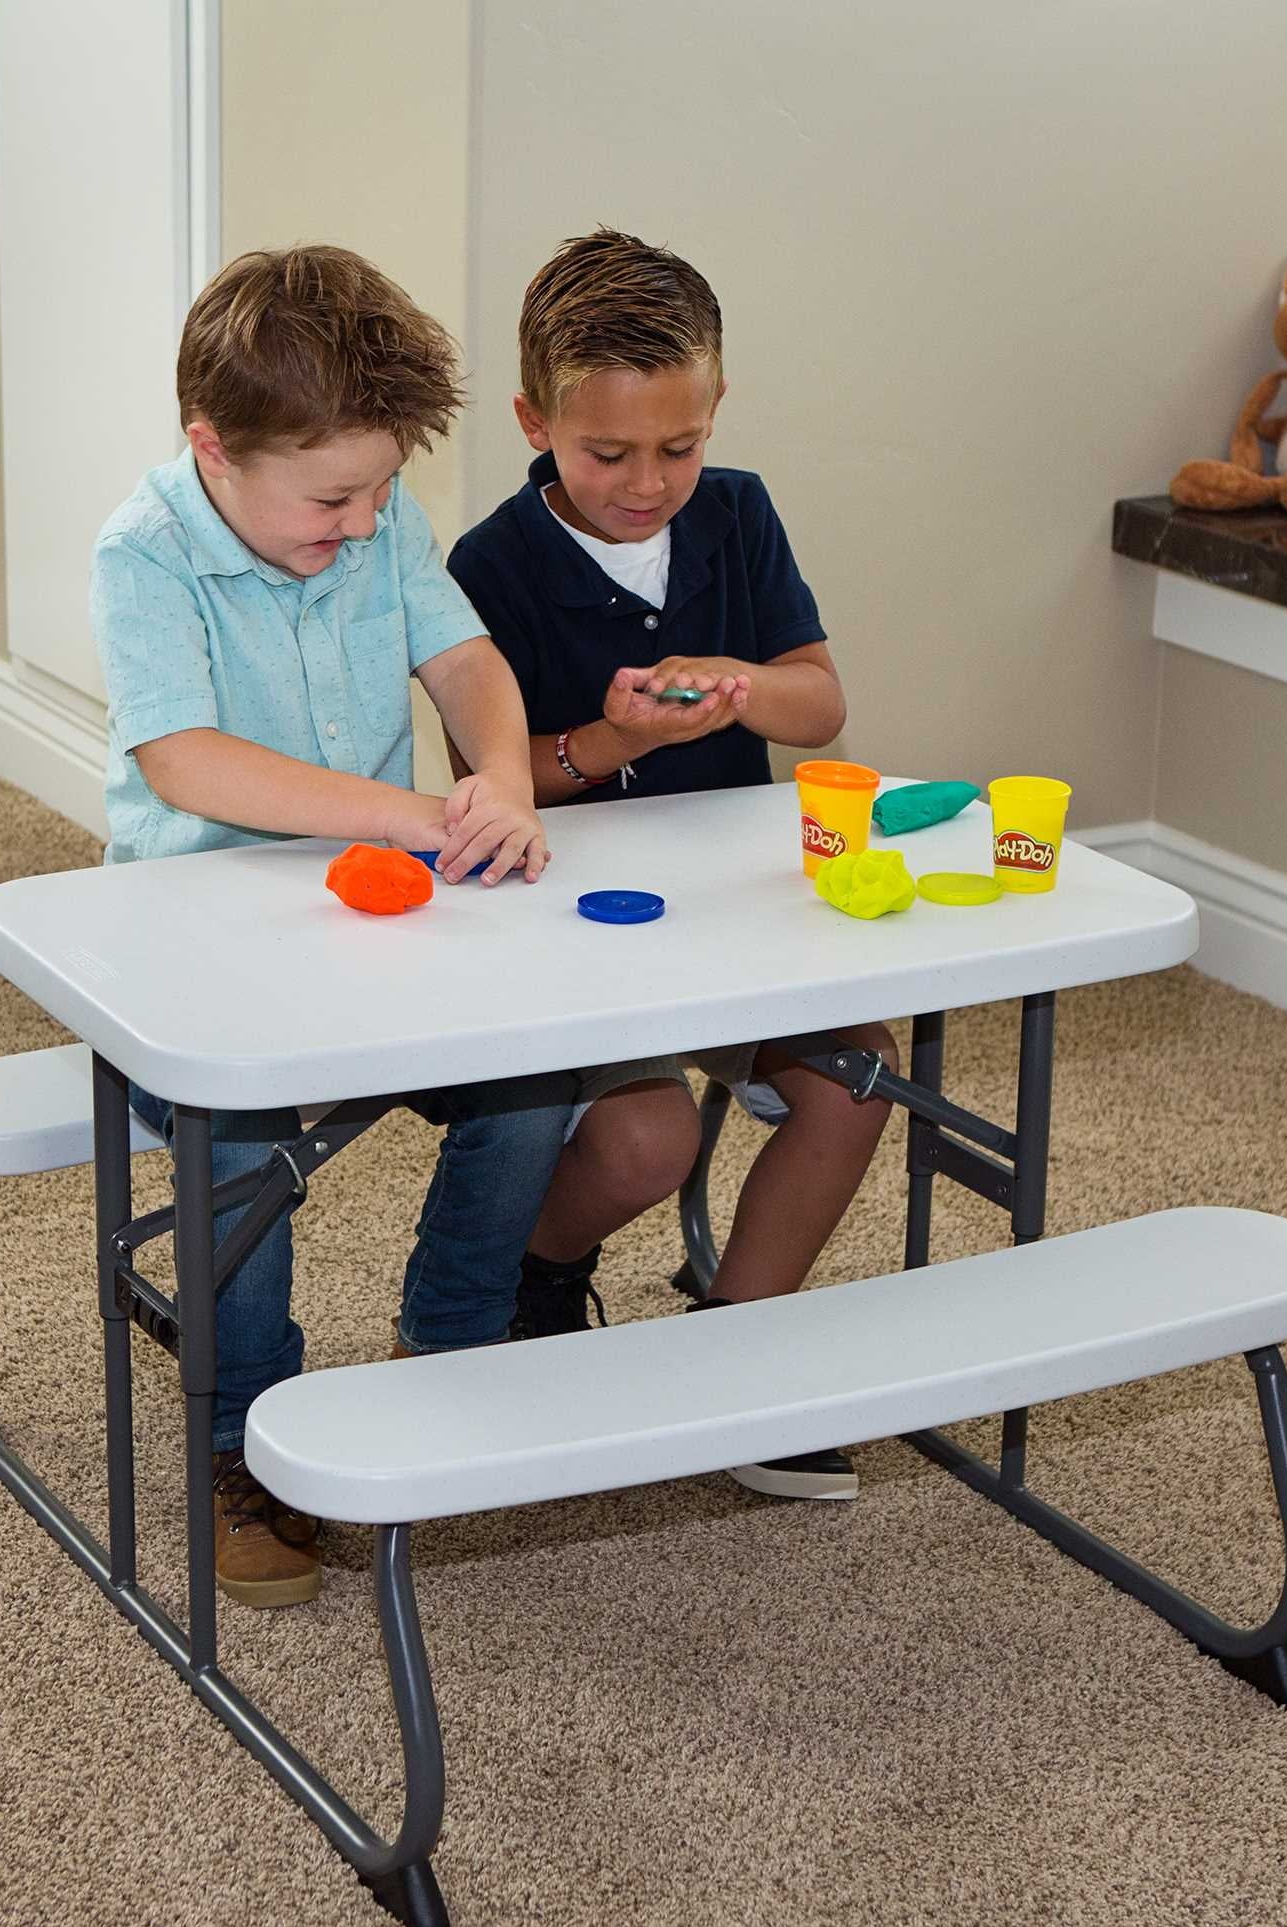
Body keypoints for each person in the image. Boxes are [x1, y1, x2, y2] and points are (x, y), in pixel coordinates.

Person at [90, 245, 573, 1607]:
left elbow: (468, 663)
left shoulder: (376, 511)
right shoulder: (145, 554)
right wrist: (413, 815)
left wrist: (499, 782)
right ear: (213, 449)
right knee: (244, 1139)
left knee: (537, 1068)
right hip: (190, 940)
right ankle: (246, 1437)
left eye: (378, 490)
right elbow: (186, 762)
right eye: (330, 498)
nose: (363, 524)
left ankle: (451, 1349)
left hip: (378, 918)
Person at [448, 228, 896, 1503]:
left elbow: (817, 706)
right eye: (606, 454)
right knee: (645, 1142)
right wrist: (610, 738)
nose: (648, 482)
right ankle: (532, 1265)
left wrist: (746, 683)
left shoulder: (737, 516)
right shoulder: (491, 565)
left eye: (678, 446)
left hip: (734, 906)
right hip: (572, 922)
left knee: (856, 1079)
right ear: (535, 423)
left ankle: (735, 1346)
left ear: (714, 413)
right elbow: (493, 780)